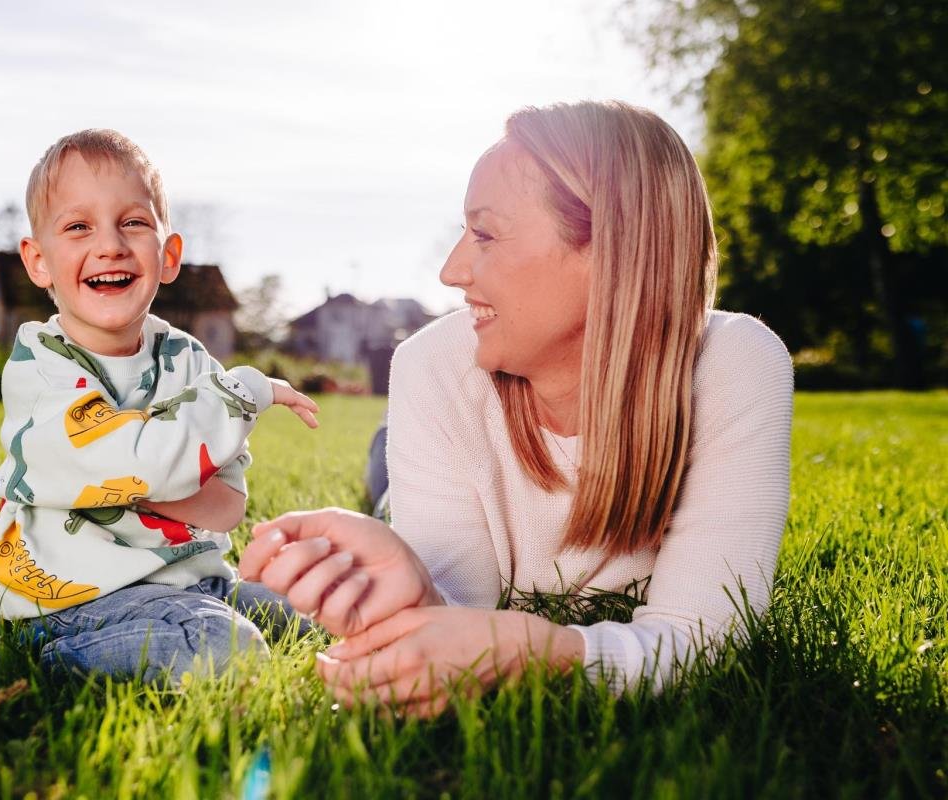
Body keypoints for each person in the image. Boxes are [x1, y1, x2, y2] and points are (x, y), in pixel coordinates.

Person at [239, 101, 793, 716]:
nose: (451, 271)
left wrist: (539, 651)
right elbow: (459, 621)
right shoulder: (433, 362)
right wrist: (417, 590)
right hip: (428, 451)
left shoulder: (734, 363)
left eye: (485, 234)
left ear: (610, 250)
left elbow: (702, 643)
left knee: (387, 469)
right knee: (387, 484)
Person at [0, 129, 319, 684]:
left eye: (133, 222)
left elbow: (226, 502)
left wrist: (147, 477)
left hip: (194, 579)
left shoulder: (187, 358)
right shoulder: (42, 368)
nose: (110, 244)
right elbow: (137, 464)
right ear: (38, 261)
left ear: (168, 257)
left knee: (317, 611)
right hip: (80, 602)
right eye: (78, 226)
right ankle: (55, 658)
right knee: (227, 648)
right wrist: (240, 397)